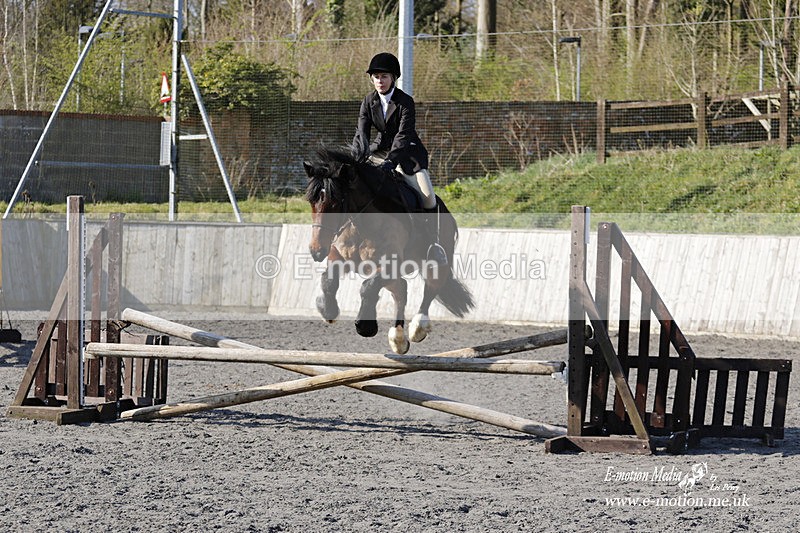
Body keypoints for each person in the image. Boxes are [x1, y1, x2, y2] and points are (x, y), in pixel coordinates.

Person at [353, 52, 447, 265]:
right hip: (378, 153)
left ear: (393, 78)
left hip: (406, 154)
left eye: (384, 76)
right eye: (376, 77)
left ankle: (434, 244)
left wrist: (391, 161)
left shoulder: (405, 102)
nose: (379, 81)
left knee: (428, 195)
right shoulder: (368, 102)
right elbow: (361, 133)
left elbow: (403, 135)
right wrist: (358, 157)